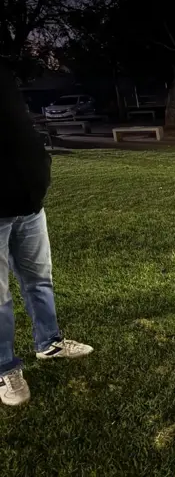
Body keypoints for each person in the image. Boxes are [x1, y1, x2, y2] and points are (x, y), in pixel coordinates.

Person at [0, 65, 93, 407]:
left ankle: (48, 343)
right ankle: (5, 367)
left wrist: (39, 168)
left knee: (39, 280)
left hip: (29, 204)